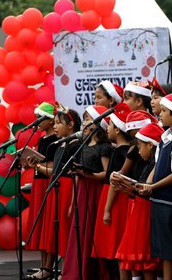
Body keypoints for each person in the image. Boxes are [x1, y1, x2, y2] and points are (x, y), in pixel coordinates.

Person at [138, 91, 172, 280]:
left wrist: (155, 186)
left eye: (165, 110)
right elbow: (158, 166)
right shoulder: (166, 136)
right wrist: (147, 184)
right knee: (165, 251)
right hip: (160, 199)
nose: (160, 112)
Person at [62, 105, 112, 280]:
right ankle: (76, 271)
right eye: (84, 119)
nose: (84, 124)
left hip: (96, 190)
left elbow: (107, 173)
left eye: (88, 119)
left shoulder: (103, 146)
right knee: (79, 231)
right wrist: (72, 202)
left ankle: (94, 272)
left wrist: (88, 174)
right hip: (82, 191)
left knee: (92, 232)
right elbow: (78, 174)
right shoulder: (82, 144)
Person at [115, 123, 164, 280]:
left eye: (140, 146)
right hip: (138, 208)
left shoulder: (156, 164)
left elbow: (147, 187)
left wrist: (128, 183)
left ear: (150, 145)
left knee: (145, 258)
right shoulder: (149, 163)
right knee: (131, 258)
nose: (138, 150)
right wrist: (124, 186)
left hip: (146, 212)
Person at [92, 103, 133, 280]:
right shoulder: (127, 151)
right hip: (121, 199)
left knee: (115, 247)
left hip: (115, 201)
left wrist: (107, 209)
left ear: (117, 129)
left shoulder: (119, 153)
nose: (106, 128)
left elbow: (114, 182)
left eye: (109, 125)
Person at [40, 108, 81, 266]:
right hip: (56, 188)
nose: (55, 126)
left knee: (65, 230)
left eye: (58, 123)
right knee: (53, 231)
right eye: (54, 123)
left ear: (71, 125)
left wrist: (72, 201)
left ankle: (67, 268)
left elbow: (75, 173)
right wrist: (36, 166)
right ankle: (49, 268)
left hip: (67, 190)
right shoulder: (59, 145)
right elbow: (55, 170)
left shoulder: (75, 145)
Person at [25, 102, 58, 280]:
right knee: (39, 223)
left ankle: (48, 267)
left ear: (51, 121)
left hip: (48, 183)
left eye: (40, 118)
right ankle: (42, 265)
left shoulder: (55, 140)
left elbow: (52, 166)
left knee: (47, 224)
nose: (37, 122)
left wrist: (37, 164)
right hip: (38, 182)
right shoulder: (42, 139)